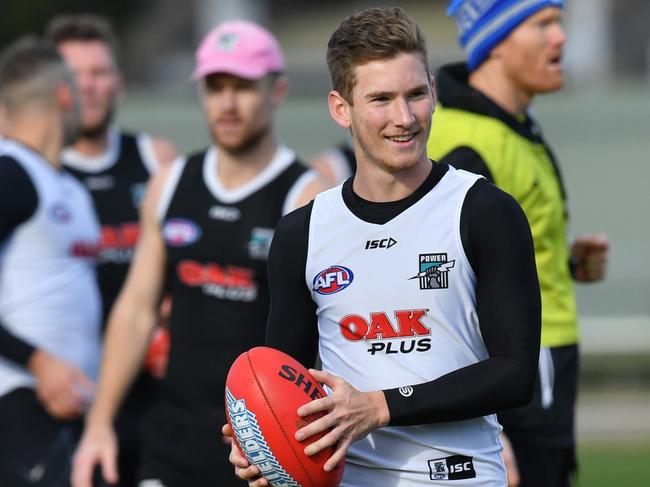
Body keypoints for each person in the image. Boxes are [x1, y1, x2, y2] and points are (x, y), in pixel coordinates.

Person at [226, 6, 541, 486]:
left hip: (459, 476)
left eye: (416, 94)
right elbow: (282, 385)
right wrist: (262, 446)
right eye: (380, 99)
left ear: (433, 92)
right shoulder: (302, 234)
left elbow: (516, 374)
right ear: (340, 108)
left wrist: (379, 406)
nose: (404, 117)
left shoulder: (484, 211)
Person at [71, 19, 324, 487]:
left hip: (262, 448)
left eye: (243, 87)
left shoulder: (307, 198)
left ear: (278, 91)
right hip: (173, 440)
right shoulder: (170, 183)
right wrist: (99, 422)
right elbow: (136, 310)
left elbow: (326, 340)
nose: (227, 104)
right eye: (214, 87)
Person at [427, 2, 609, 485]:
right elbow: (444, 281)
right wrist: (492, 421)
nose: (561, 38)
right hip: (520, 374)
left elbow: (498, 256)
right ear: (496, 43)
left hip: (539, 364)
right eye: (543, 24)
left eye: (559, 22)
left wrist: (564, 263)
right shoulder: (467, 143)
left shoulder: (509, 124)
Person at [45, 14, 178, 486]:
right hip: (63, 395)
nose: (89, 87)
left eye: (99, 73)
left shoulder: (157, 159)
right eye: (74, 75)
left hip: (153, 395)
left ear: (118, 81)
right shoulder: (31, 172)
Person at [0, 39, 101, 487]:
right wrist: (38, 363)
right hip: (19, 402)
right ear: (64, 95)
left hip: (73, 409)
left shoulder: (67, 186)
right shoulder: (11, 173)